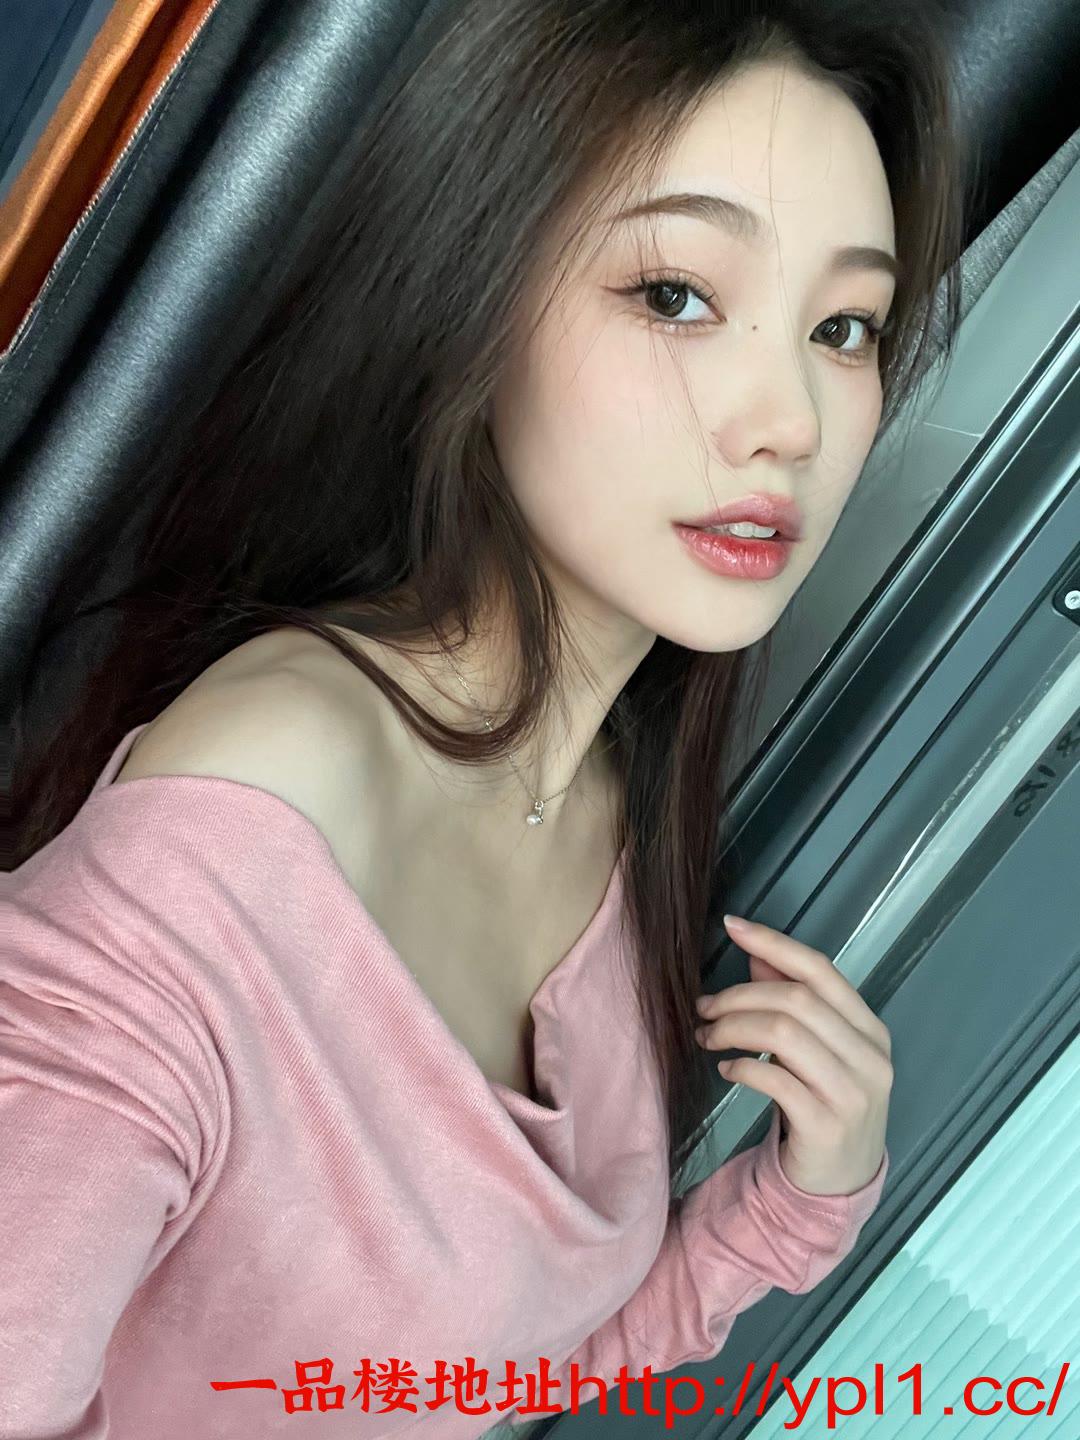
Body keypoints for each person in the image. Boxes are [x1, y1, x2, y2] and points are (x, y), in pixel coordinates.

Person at [2, 0, 968, 1436]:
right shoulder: (255, 814)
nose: (791, 423)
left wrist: (794, 1204)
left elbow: (469, 1378)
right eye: (676, 296)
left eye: (842, 328)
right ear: (477, 289)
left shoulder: (605, 814)